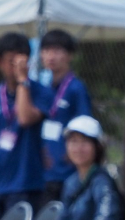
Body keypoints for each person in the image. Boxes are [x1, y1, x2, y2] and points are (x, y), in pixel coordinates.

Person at [0, 32, 53, 220]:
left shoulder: (41, 92)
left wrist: (23, 81)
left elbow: (25, 118)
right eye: (11, 62)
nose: (16, 67)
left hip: (26, 182)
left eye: (21, 62)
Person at [38, 30, 92, 203]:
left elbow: (84, 126)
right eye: (46, 51)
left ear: (70, 55)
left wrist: (72, 155)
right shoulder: (41, 88)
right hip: (43, 169)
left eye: (57, 50)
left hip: (66, 170)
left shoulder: (76, 89)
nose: (51, 56)